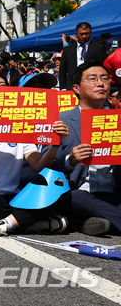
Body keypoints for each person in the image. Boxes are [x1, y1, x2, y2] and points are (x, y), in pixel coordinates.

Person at [0, 68, 70, 239]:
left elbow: (39, 166)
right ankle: (30, 222)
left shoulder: (20, 124)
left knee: (56, 184)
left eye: (2, 85)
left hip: (14, 197)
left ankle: (4, 225)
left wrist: (55, 143)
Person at [53, 62, 118, 235]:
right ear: (76, 88)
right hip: (80, 192)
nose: (100, 83)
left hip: (113, 191)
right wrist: (71, 160)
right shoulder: (61, 121)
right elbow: (46, 165)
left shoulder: (117, 120)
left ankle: (91, 223)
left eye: (105, 79)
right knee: (76, 198)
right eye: (93, 79)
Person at [59, 22, 108, 90]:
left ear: (90, 33)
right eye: (81, 34)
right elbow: (62, 70)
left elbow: (105, 67)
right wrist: (63, 88)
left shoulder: (98, 48)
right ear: (76, 34)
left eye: (86, 34)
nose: (84, 36)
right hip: (71, 86)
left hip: (92, 86)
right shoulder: (68, 49)